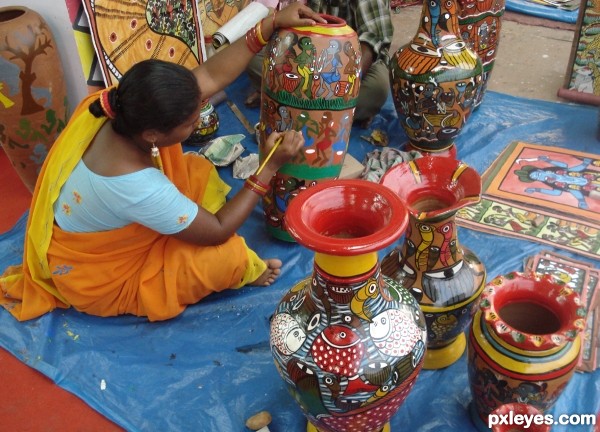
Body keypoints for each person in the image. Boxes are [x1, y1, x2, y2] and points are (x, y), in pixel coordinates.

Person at [0, 3, 325, 322]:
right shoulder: (136, 183)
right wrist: (268, 167)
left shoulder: (121, 104)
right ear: (153, 134)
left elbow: (211, 74)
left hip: (119, 214)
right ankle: (224, 266)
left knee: (196, 171)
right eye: (189, 123)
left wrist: (269, 25)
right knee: (227, 258)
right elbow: (217, 231)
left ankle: (177, 221)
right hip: (100, 276)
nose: (198, 123)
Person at [245, 0, 394, 128]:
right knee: (251, 56)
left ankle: (287, 103)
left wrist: (346, 88)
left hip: (350, 62)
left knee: (377, 88)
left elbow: (373, 39)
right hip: (310, 55)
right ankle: (328, 113)